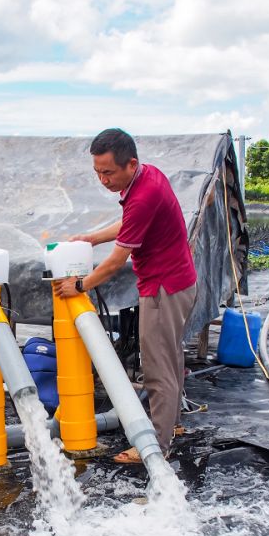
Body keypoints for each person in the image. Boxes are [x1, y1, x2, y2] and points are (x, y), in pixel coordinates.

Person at [55, 128, 197, 464]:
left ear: (131, 164)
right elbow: (129, 224)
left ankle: (157, 447)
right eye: (97, 173)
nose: (102, 180)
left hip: (164, 288)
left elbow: (117, 262)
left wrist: (78, 286)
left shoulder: (144, 194)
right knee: (172, 358)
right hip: (181, 281)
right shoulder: (148, 178)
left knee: (157, 368)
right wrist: (91, 238)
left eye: (108, 172)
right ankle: (172, 425)